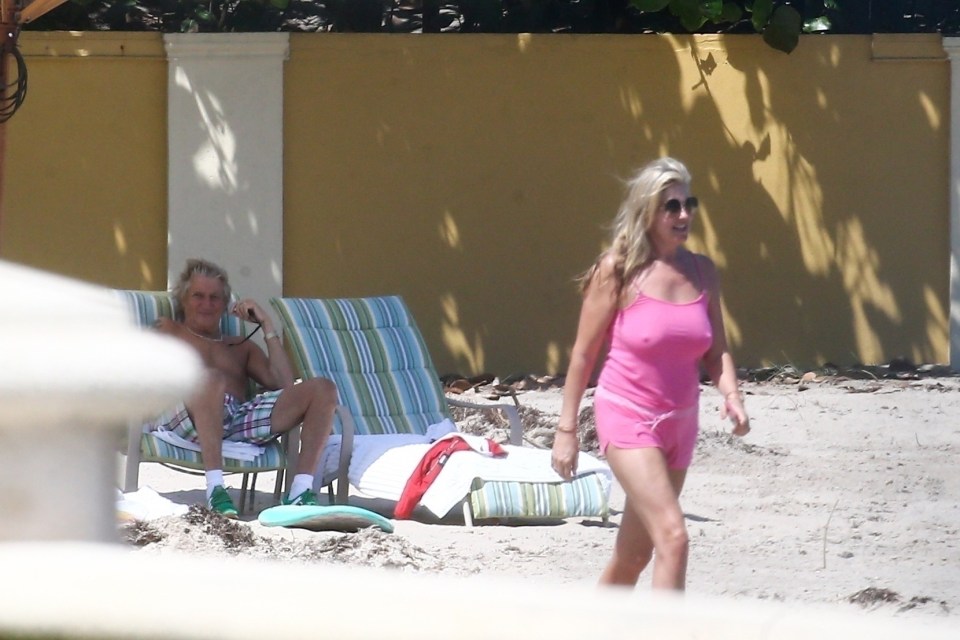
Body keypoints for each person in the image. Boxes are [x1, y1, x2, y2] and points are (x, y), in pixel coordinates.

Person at [551, 157, 750, 590]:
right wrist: (566, 429)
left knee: (633, 555)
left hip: (681, 424)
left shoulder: (702, 272)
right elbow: (583, 356)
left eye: (688, 204)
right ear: (647, 213)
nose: (684, 215)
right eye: (671, 207)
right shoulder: (617, 271)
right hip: (627, 417)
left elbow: (717, 351)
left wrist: (732, 394)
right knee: (673, 538)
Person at [147, 258, 338, 518]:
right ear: (183, 300)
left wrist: (266, 325)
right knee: (211, 379)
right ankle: (216, 489)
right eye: (198, 296)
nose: (206, 304)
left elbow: (283, 383)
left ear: (225, 305)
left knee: (323, 389)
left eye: (215, 298)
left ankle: (300, 492)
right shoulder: (169, 329)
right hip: (185, 415)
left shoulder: (240, 346)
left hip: (235, 419)